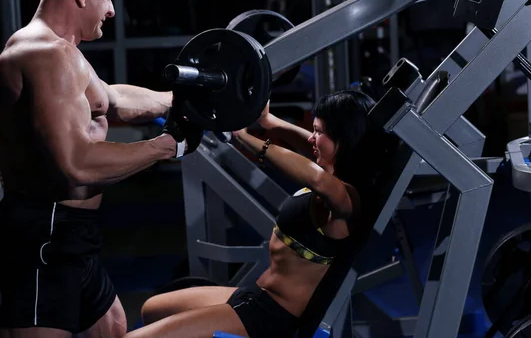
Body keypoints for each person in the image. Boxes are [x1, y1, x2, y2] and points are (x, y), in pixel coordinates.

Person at [0, 0, 202, 338]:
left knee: (112, 328)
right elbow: (75, 162)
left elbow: (112, 99)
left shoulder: (64, 53)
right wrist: (168, 145)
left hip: (76, 231)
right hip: (45, 232)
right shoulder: (45, 54)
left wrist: (182, 101)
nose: (111, 10)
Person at [122, 90, 390, 338]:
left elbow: (317, 178)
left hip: (269, 319)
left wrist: (243, 137)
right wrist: (268, 121)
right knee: (151, 309)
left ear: (344, 139)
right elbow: (310, 151)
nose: (310, 138)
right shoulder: (334, 170)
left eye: (318, 132)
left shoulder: (346, 200)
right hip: (254, 295)